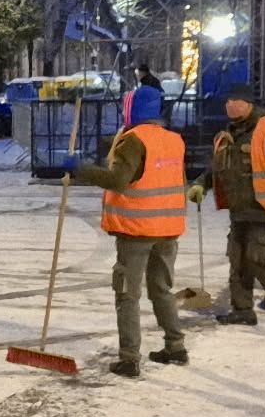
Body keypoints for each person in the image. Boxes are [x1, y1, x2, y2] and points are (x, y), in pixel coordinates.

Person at [69, 84, 187, 377]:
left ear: (132, 109)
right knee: (161, 289)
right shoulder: (173, 140)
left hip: (137, 230)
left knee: (127, 294)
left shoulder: (134, 141)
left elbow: (118, 180)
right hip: (168, 229)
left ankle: (129, 358)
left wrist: (80, 169)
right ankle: (175, 346)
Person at [189, 84, 265, 324]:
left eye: (235, 100)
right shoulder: (228, 135)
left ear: (249, 103)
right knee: (238, 260)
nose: (230, 104)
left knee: (261, 258)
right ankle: (242, 310)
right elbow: (217, 167)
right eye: (227, 100)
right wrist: (201, 184)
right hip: (240, 210)